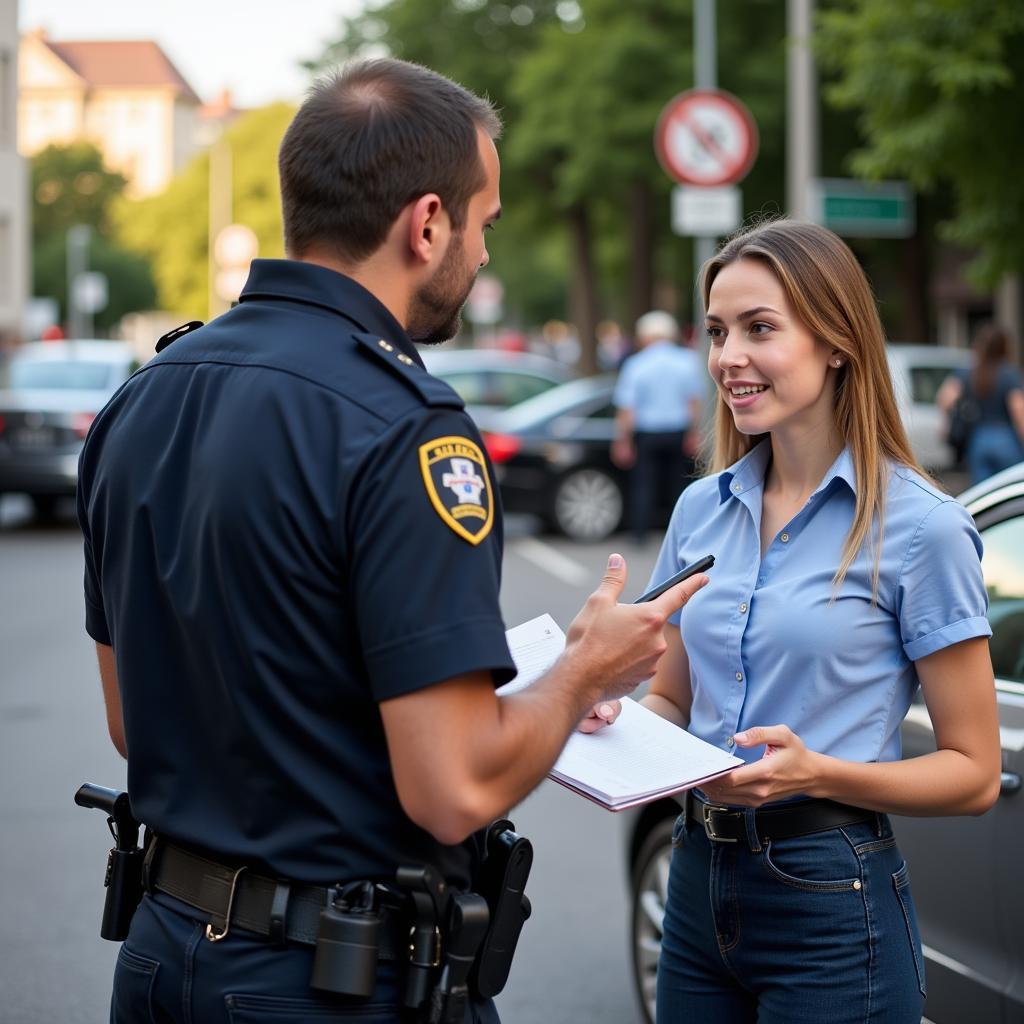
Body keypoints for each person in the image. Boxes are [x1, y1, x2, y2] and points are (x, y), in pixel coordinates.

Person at [76, 59, 707, 1024]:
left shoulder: (141, 400)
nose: (485, 258)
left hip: (162, 959)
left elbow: (137, 722)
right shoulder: (407, 426)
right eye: (484, 224)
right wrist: (582, 672)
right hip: (325, 979)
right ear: (425, 223)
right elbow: (453, 789)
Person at [629, 220, 1000, 1023]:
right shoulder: (702, 507)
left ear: (837, 342)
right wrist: (608, 720)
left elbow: (972, 772)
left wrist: (818, 773)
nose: (730, 356)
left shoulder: (922, 527)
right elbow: (669, 699)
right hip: (695, 878)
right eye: (719, 332)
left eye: (761, 328)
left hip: (831, 893)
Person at [611, 310, 704, 544]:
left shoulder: (636, 363)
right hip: (677, 429)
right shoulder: (687, 360)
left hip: (647, 432)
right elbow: (693, 401)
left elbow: (627, 407)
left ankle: (640, 534)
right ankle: (679, 534)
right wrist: (694, 432)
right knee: (679, 485)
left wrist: (623, 440)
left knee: (644, 484)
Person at [936, 322, 1024, 484]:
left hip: (978, 439)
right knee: (1009, 488)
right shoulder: (1009, 374)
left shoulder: (969, 372)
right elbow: (1018, 409)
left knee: (983, 492)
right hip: (1006, 438)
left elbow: (945, 398)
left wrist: (948, 421)